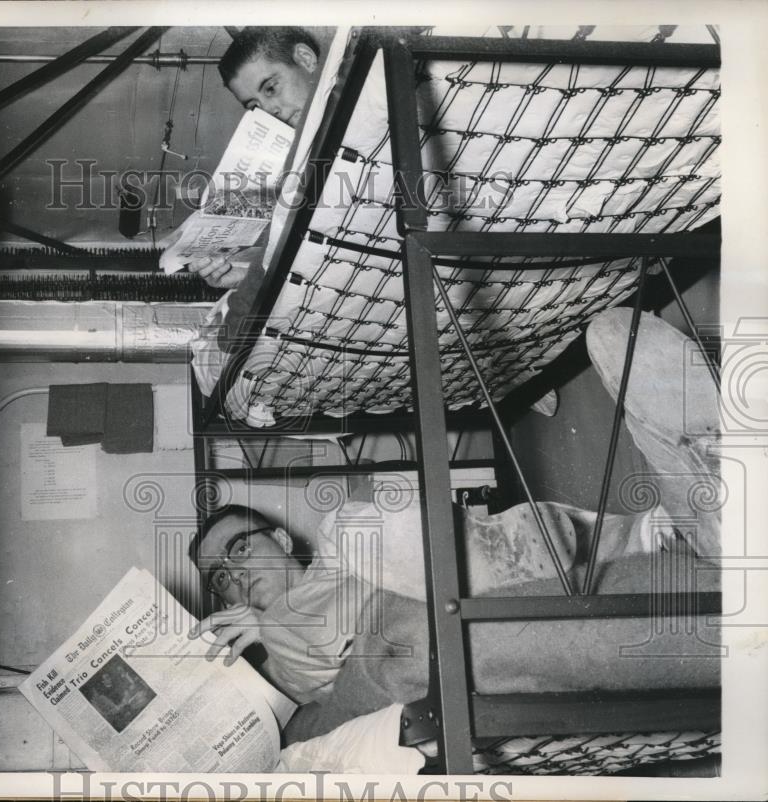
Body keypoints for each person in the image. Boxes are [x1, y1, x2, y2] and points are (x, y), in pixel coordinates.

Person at [188, 308, 722, 745]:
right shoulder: (283, 664)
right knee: (349, 551)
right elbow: (323, 716)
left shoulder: (338, 546)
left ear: (280, 538)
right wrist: (272, 632)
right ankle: (696, 507)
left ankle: (681, 524)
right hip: (459, 611)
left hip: (594, 551)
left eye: (237, 550)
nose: (233, 575)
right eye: (219, 577)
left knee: (353, 523)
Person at [170, 26, 322, 291]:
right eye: (254, 106)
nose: (270, 111)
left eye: (271, 88)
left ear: (306, 59)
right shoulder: (295, 171)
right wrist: (243, 274)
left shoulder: (382, 101)